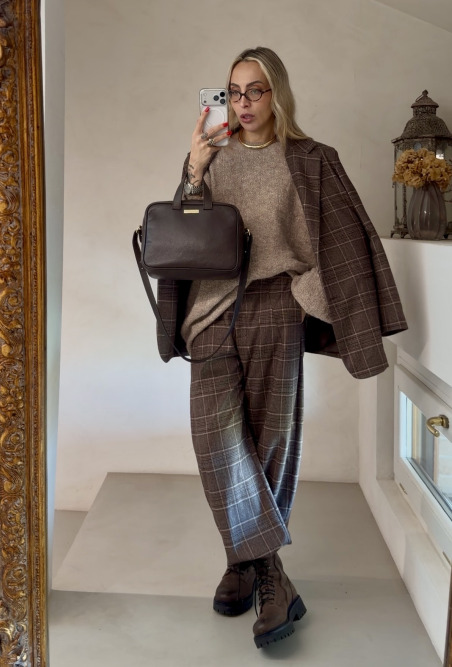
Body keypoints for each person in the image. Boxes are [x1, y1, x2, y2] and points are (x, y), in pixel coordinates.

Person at [155, 46, 407, 649]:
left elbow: (345, 237)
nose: (243, 103)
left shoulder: (313, 158)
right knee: (216, 439)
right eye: (233, 92)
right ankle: (272, 572)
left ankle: (246, 567)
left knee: (270, 439)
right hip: (212, 310)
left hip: (275, 305)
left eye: (256, 90)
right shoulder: (210, 155)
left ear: (278, 94)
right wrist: (194, 172)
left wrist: (303, 294)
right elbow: (182, 231)